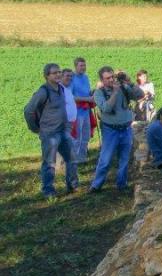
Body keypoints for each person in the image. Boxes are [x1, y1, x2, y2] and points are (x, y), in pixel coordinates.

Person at [24, 63, 79, 197]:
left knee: (71, 158)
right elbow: (28, 110)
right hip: (49, 133)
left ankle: (73, 185)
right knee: (49, 163)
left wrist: (67, 126)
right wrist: (36, 128)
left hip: (63, 130)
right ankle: (48, 190)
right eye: (54, 73)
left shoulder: (61, 89)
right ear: (47, 76)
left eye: (59, 72)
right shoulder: (43, 91)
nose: (58, 74)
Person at [90, 67, 144, 192]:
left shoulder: (124, 88)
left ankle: (122, 184)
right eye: (107, 78)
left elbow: (140, 95)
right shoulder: (99, 93)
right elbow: (106, 109)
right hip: (110, 130)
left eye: (112, 77)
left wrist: (129, 82)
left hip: (125, 128)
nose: (111, 80)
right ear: (102, 80)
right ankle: (96, 185)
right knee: (105, 159)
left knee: (124, 158)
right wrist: (114, 93)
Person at [71, 57, 93, 162]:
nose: (83, 68)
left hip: (86, 111)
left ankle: (82, 158)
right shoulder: (72, 79)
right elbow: (71, 97)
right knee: (76, 137)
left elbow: (88, 92)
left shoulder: (86, 77)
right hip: (76, 111)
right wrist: (87, 99)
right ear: (75, 66)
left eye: (84, 65)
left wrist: (93, 95)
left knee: (86, 135)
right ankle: (74, 160)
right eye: (81, 65)